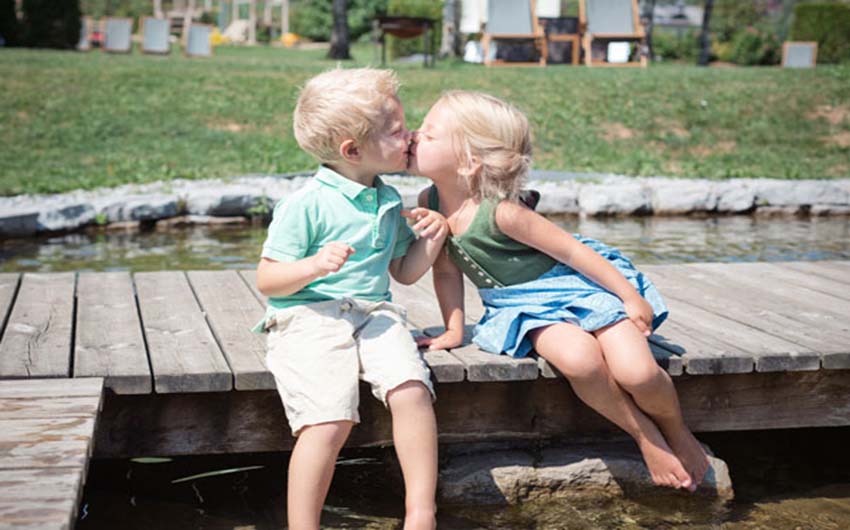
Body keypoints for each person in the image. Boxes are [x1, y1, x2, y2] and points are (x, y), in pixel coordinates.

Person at [407, 90, 709, 492]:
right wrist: (454, 329)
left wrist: (629, 296)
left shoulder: (504, 212)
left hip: (578, 290)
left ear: (468, 161)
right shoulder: (429, 201)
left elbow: (573, 251)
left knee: (636, 371)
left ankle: (675, 428)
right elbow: (446, 272)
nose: (412, 136)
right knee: (580, 361)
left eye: (428, 135)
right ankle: (645, 437)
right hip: (521, 308)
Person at [253, 68, 447, 530]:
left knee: (411, 391)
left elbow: (402, 271)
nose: (410, 136)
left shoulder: (385, 197)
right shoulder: (306, 204)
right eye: (397, 131)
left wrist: (432, 240)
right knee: (328, 420)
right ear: (352, 150)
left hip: (374, 314)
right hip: (308, 315)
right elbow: (268, 279)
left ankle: (421, 511)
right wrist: (314, 266)